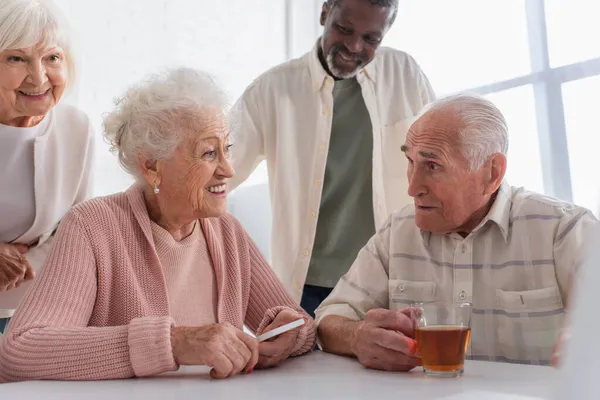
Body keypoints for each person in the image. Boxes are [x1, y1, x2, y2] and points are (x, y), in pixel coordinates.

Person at [0, 67, 316, 382]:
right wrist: (174, 344)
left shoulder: (227, 231)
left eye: (227, 149)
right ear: (151, 166)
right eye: (209, 153)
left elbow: (300, 325)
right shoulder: (92, 226)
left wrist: (291, 334)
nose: (228, 169)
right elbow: (20, 352)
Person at [315, 94, 599, 369]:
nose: (413, 188)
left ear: (492, 173)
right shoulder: (397, 232)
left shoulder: (566, 231)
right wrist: (356, 336)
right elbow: (329, 318)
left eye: (433, 165)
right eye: (411, 162)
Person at [229, 0, 435, 317]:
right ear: (325, 13)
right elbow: (219, 170)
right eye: (344, 29)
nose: (354, 47)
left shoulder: (404, 73)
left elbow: (440, 156)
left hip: (393, 281)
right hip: (308, 288)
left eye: (371, 39)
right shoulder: (272, 89)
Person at [0, 0, 95, 332]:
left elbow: (76, 230)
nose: (39, 77)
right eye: (16, 58)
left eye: (52, 57)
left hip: (37, 310)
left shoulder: (76, 128)